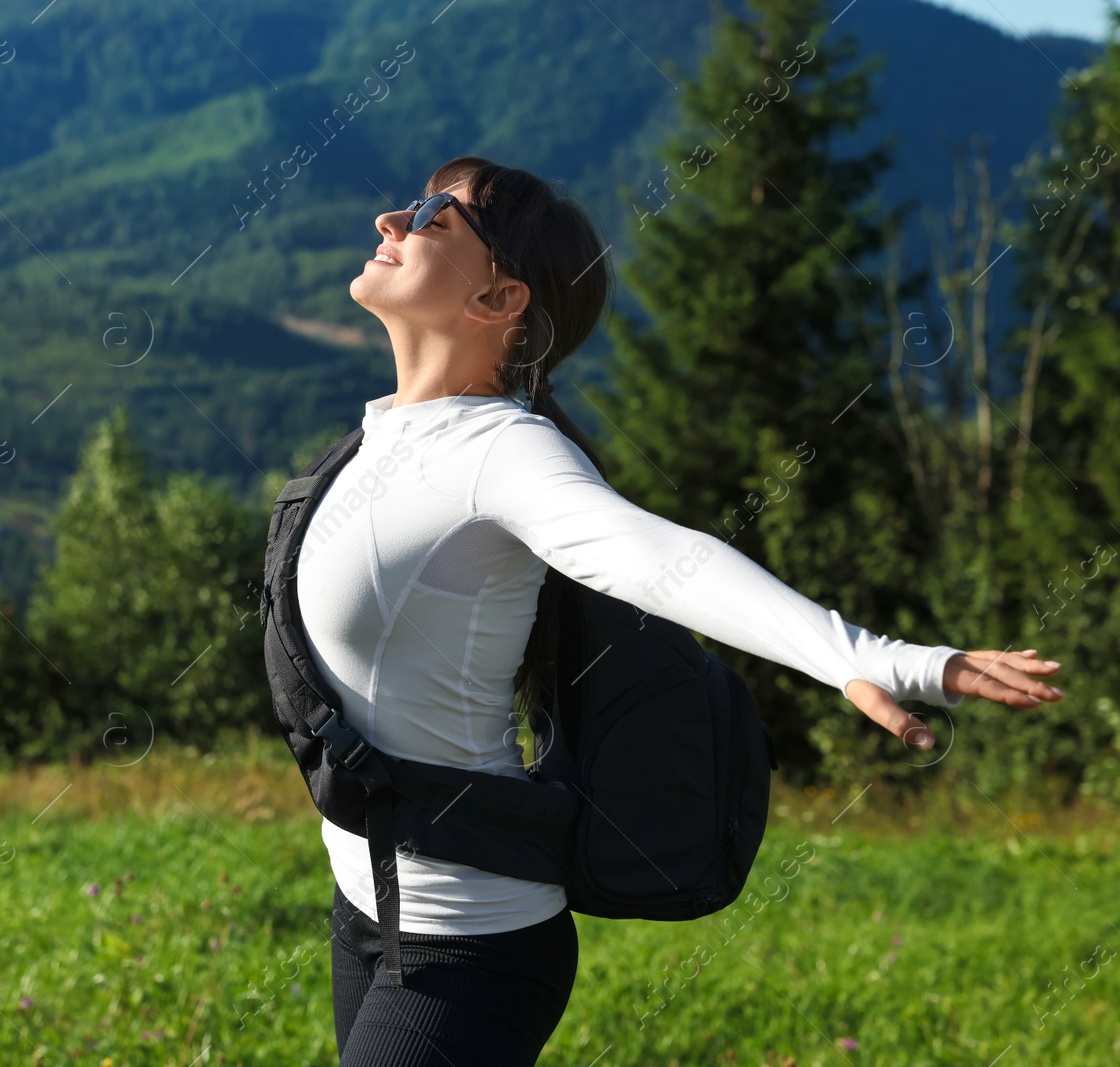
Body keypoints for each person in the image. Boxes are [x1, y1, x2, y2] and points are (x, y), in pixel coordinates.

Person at [295, 156, 1065, 1066]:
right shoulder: (389, 431)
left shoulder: (503, 451)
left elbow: (660, 559)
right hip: (367, 911)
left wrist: (874, 656)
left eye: (433, 216)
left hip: (465, 943)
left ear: (501, 299)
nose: (392, 217)